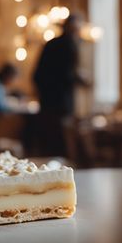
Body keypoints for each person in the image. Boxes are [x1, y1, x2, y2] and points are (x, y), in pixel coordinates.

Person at [33, 14, 89, 155]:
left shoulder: (51, 43)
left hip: (47, 102)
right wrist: (80, 79)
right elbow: (66, 74)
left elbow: (37, 75)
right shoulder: (68, 45)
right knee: (62, 142)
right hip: (60, 103)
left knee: (50, 142)